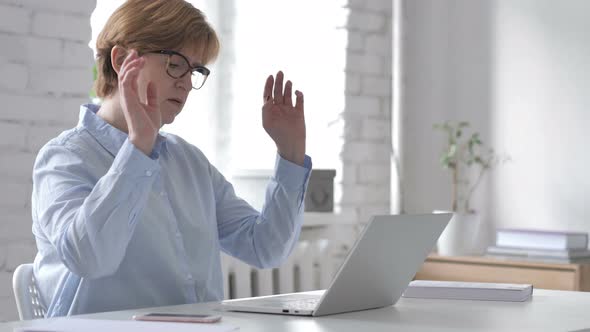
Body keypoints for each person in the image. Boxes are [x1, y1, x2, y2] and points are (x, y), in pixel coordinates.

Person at [31, 0, 311, 317]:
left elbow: (265, 248)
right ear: (122, 59)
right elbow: (90, 258)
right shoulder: (64, 158)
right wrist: (138, 150)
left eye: (195, 70)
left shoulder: (189, 162)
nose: (185, 82)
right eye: (175, 62)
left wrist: (290, 153)